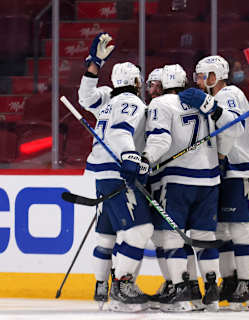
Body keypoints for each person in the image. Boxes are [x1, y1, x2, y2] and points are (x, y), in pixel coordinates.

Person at [143, 63, 243, 312]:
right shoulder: (204, 103)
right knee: (204, 237)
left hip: (176, 181)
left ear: (164, 84)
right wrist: (220, 156)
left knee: (171, 237)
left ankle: (180, 291)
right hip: (209, 181)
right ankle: (210, 289)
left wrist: (144, 160)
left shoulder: (160, 104)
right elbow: (232, 131)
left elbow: (160, 139)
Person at [78, 33, 152, 312]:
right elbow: (121, 132)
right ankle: (123, 287)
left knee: (107, 234)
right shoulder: (133, 103)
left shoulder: (108, 100)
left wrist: (93, 65)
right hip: (119, 174)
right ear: (136, 82)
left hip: (102, 174)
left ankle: (101, 288)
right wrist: (131, 158)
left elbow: (85, 97)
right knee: (140, 229)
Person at [193, 55, 249, 311]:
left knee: (240, 229)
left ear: (214, 75)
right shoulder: (215, 98)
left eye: (202, 76)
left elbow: (231, 123)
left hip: (239, 169)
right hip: (225, 170)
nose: (199, 81)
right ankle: (231, 283)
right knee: (221, 230)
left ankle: (246, 286)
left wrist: (222, 156)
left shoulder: (229, 93)